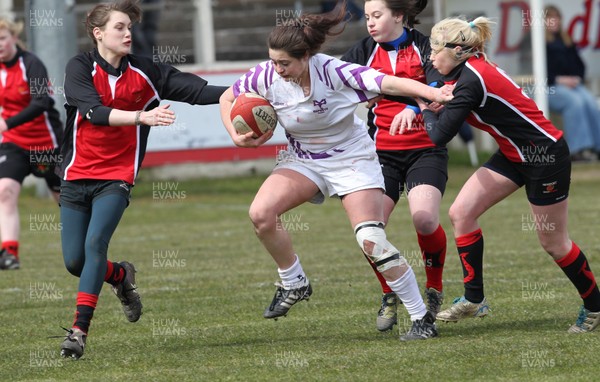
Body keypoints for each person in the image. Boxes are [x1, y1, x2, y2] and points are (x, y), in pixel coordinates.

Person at [220, 2, 452, 341]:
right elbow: (229, 98)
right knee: (261, 214)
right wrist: (236, 136)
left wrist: (434, 93)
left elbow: (391, 82)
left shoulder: (334, 72)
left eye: (284, 63)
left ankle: (421, 318)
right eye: (273, 61)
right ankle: (294, 282)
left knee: (371, 240)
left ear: (306, 58)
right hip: (304, 160)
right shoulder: (266, 74)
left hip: (352, 160)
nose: (277, 69)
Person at [404, 16, 600, 333]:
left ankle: (595, 307)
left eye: (435, 50)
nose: (430, 57)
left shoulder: (471, 79)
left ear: (455, 51)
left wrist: (424, 107)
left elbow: (438, 135)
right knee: (461, 212)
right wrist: (428, 94)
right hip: (514, 153)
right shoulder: (467, 64)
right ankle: (474, 298)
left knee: (554, 243)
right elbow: (433, 77)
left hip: (545, 157)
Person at [57, 0, 227, 359]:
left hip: (116, 178)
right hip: (75, 176)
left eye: (129, 27)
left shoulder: (147, 71)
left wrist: (244, 92)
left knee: (94, 247)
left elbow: (198, 92)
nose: (128, 33)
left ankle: (78, 332)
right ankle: (120, 277)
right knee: (74, 262)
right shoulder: (79, 67)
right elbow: (94, 112)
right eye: (119, 27)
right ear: (98, 33)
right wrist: (140, 118)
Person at [341, 0, 450, 332]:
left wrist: (414, 110)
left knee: (425, 218)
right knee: (369, 232)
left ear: (399, 15)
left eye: (377, 16)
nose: (370, 23)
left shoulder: (423, 46)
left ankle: (433, 289)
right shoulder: (361, 52)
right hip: (380, 155)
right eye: (367, 17)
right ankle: (390, 293)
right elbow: (335, 85)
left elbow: (439, 88)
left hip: (424, 151)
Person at [0, 18, 63, 270]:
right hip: (14, 143)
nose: (0, 45)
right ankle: (9, 253)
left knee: (64, 199)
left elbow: (42, 103)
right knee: (4, 191)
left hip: (45, 143)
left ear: (14, 38)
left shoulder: (31, 63)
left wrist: (7, 123)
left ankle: (85, 245)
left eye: (3, 38)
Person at [545, 5, 600, 162]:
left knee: (590, 101)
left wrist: (576, 78)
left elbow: (579, 65)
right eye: (549, 18)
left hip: (572, 85)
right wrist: (558, 79)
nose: (553, 21)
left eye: (556, 18)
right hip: (550, 88)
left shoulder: (566, 40)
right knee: (574, 102)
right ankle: (578, 150)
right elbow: (539, 71)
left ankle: (597, 146)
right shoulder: (538, 42)